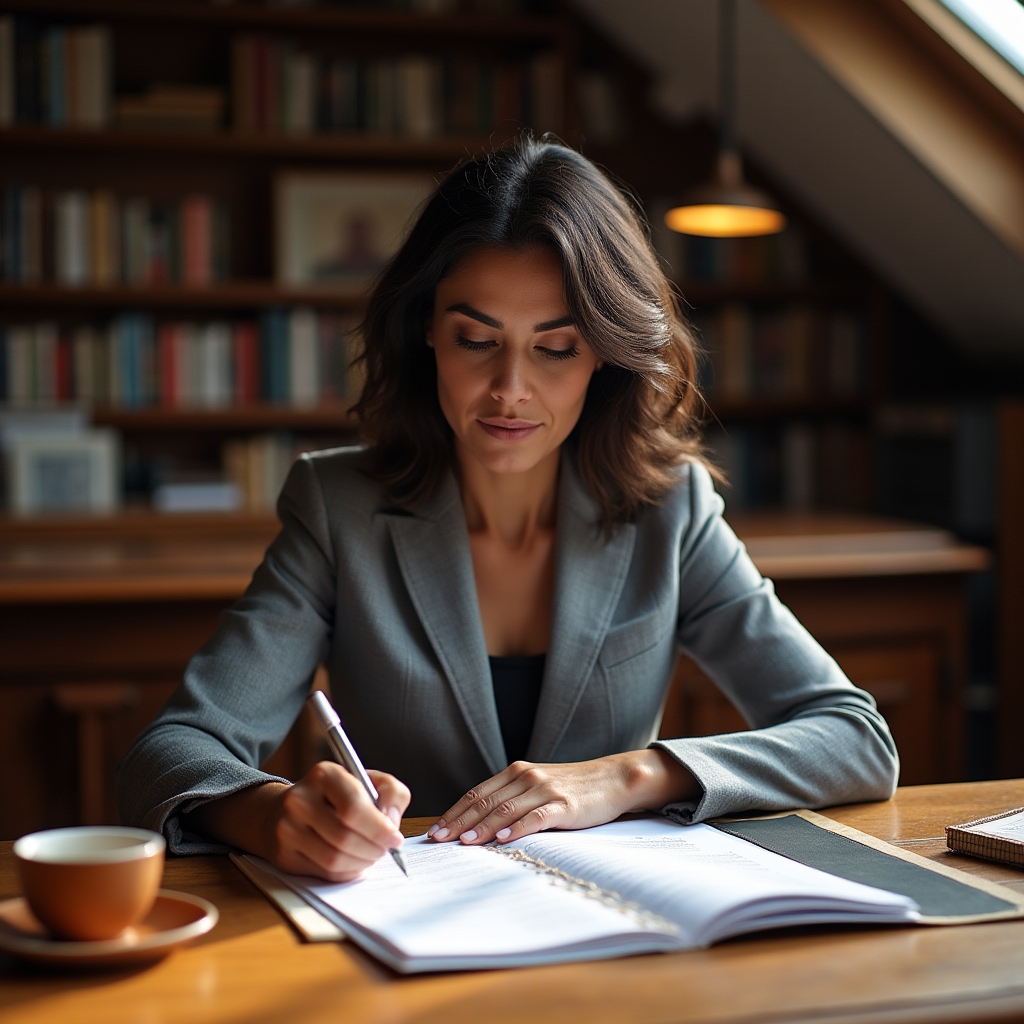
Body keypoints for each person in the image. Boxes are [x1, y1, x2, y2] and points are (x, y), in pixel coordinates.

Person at [117, 137, 898, 882]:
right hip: (401, 930)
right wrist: (271, 815)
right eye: (475, 340)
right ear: (427, 331)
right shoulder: (338, 508)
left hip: (608, 933)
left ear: (605, 352)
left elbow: (855, 740)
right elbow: (175, 749)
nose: (510, 390)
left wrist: (631, 775)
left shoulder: (671, 512)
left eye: (555, 348)